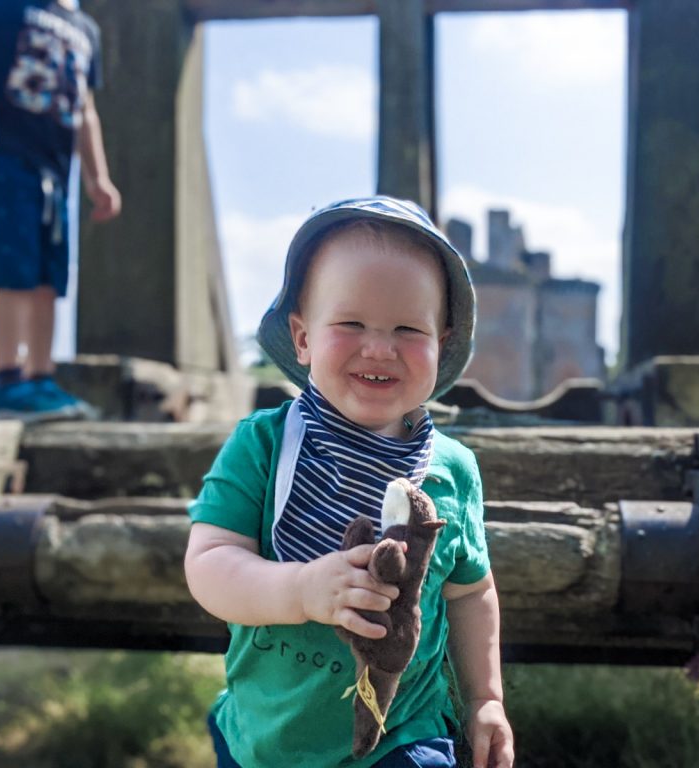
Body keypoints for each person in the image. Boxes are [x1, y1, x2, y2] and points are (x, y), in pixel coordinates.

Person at [184, 196, 515, 768]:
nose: (380, 347)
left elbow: (470, 592)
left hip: (403, 731)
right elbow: (209, 563)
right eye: (351, 323)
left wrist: (486, 697)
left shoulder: (451, 469)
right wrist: (302, 591)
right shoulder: (265, 445)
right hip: (267, 735)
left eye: (409, 328)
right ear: (304, 337)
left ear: (443, 341)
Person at [0, 0, 121, 421]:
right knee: (14, 273)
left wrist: (98, 177)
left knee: (48, 281)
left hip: (53, 174)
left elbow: (85, 111)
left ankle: (40, 381)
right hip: (1, 158)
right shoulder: (6, 4)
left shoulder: (84, 29)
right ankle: (8, 381)